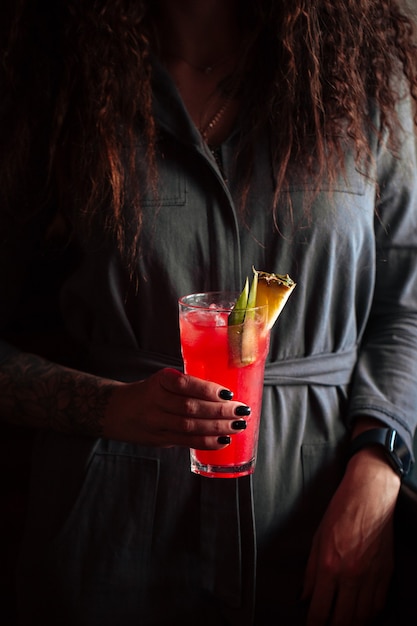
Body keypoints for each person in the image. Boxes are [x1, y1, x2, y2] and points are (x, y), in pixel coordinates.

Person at [1, 1, 417, 624]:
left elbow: (407, 306)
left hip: (319, 533)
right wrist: (108, 406)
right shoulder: (58, 79)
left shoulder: (363, 71)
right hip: (110, 537)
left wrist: (380, 464)